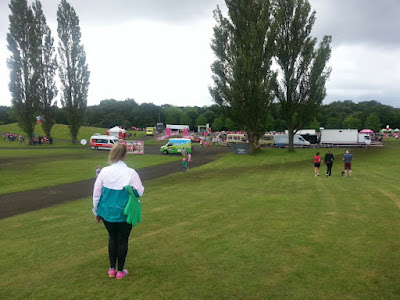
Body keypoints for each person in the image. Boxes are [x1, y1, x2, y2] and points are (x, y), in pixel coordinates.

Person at [92, 143, 144, 279]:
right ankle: (120, 271)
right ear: (125, 155)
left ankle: (111, 269)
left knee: (112, 238)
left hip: (107, 213)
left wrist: (96, 211)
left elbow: (96, 194)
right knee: (123, 240)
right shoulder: (131, 173)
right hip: (124, 213)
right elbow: (140, 192)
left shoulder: (104, 171)